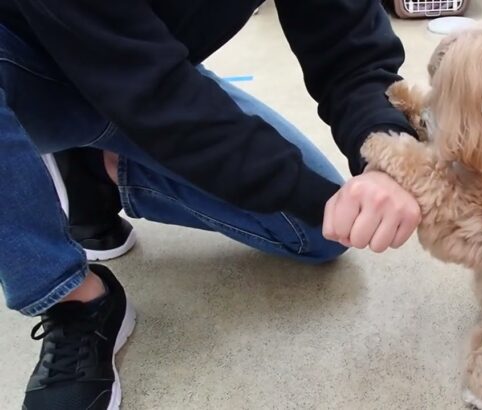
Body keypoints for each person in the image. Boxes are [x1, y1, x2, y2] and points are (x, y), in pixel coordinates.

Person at [0, 1, 421, 409]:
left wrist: (385, 153)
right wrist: (306, 190)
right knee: (308, 199)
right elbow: (148, 92)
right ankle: (71, 299)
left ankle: (95, 171)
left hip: (153, 66)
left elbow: (349, 40)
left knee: (319, 233)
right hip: (31, 71)